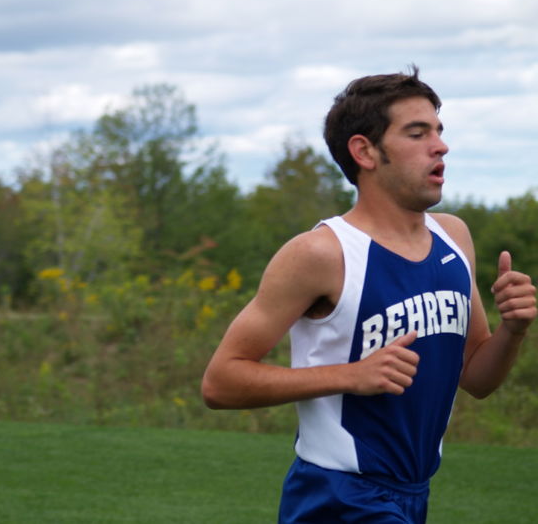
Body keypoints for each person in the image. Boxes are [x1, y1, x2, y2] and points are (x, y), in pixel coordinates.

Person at [201, 67, 536, 523]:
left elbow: (477, 378)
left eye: (438, 131)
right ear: (365, 151)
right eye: (417, 134)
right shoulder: (321, 253)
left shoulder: (454, 237)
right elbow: (221, 382)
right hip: (338, 497)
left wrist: (512, 331)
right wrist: (349, 375)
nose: (440, 146)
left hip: (414, 494)